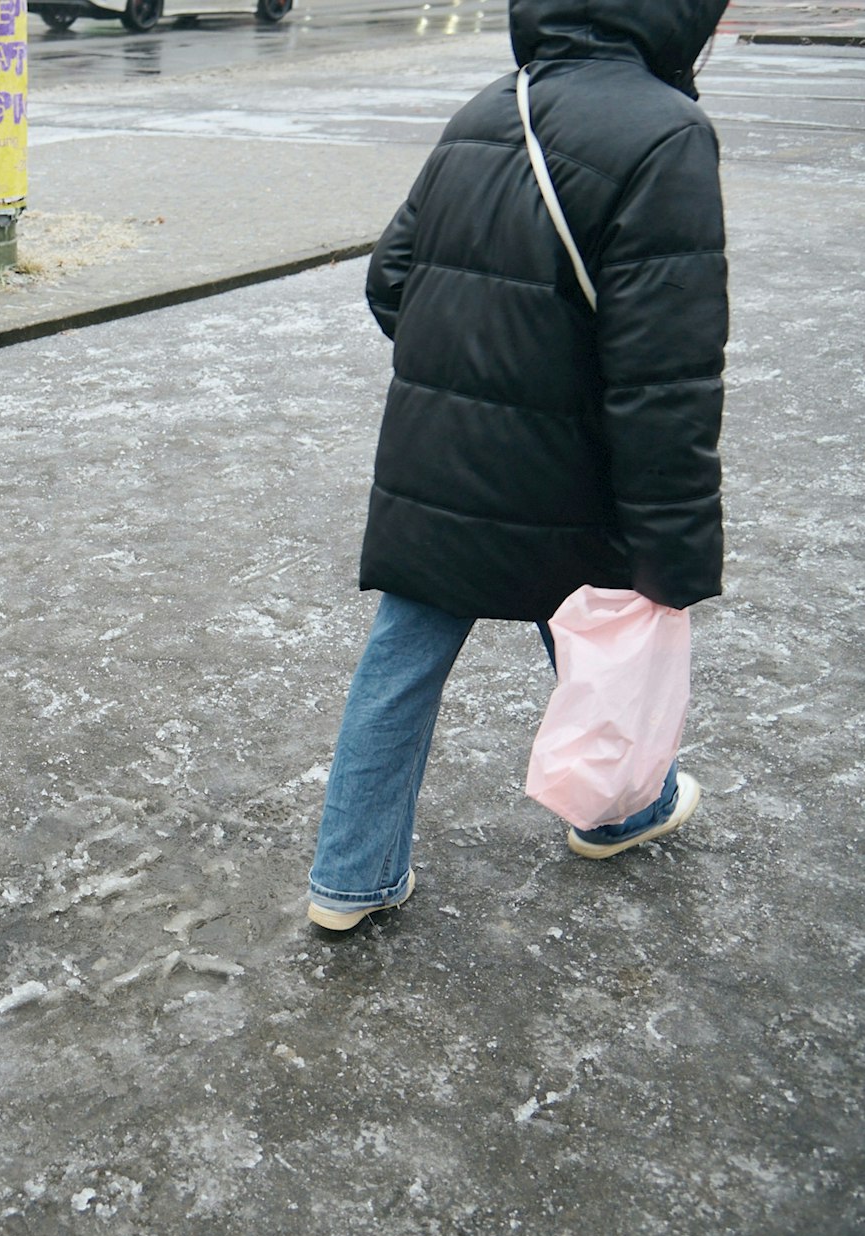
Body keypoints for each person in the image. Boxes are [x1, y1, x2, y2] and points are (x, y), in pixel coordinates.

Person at [305, 0, 730, 931]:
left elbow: (390, 280)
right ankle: (623, 807)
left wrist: (475, 374)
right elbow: (665, 379)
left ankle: (349, 875)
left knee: (404, 652)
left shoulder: (490, 107)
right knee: (596, 618)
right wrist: (678, 552)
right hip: (569, 473)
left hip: (442, 460)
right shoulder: (668, 134)